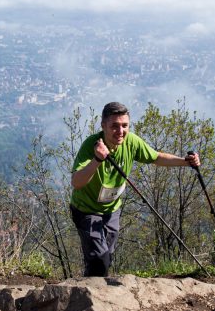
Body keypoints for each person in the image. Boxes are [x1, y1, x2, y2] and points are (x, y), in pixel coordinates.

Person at [70, 101, 200, 277]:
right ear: (103, 126)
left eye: (125, 126)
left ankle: (92, 290)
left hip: (112, 209)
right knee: (99, 259)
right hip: (86, 210)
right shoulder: (91, 145)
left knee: (106, 257)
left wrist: (186, 162)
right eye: (114, 126)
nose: (120, 131)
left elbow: (156, 158)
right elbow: (76, 182)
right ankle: (89, 297)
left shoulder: (131, 142)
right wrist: (97, 160)